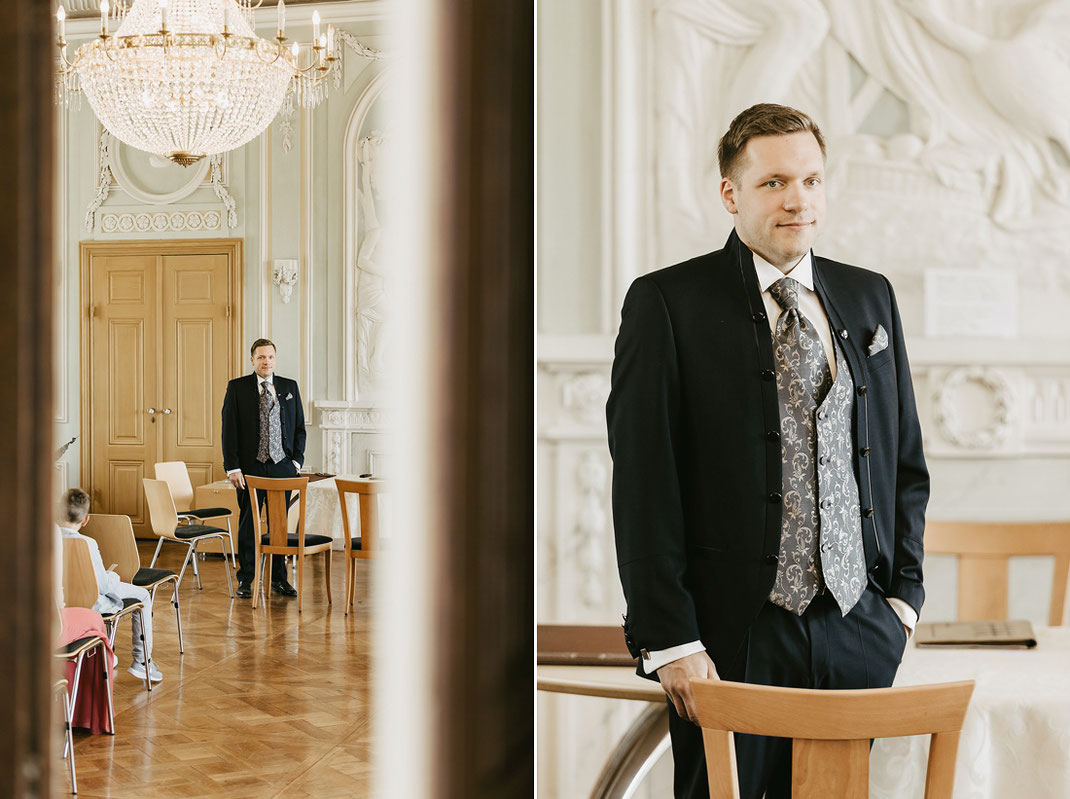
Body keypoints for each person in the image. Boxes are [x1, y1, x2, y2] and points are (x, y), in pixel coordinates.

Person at [606, 103, 928, 798]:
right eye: (775, 182)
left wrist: (902, 602)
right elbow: (643, 487)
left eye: (812, 180)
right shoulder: (666, 304)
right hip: (728, 638)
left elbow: (905, 462)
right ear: (731, 194)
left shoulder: (871, 298)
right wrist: (672, 642)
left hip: (858, 628)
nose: (798, 199)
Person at [222, 338, 306, 599]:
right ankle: (247, 579)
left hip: (282, 467)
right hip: (250, 469)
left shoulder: (289, 387)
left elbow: (300, 428)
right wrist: (233, 468)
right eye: (260, 357)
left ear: (275, 359)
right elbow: (229, 431)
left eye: (269, 357)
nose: (266, 361)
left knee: (279, 526)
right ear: (252, 360)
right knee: (249, 523)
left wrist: (296, 462)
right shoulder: (237, 388)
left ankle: (278, 579)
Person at [57, 488, 161, 683]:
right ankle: (142, 660)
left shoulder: (50, 540)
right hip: (93, 602)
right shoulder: (87, 543)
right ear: (86, 519)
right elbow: (103, 586)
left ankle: (108, 652)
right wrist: (112, 576)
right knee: (143, 596)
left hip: (64, 603)